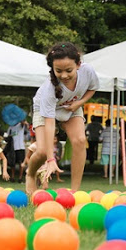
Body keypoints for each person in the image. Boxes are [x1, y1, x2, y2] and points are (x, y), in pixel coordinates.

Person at [25, 42, 99, 194]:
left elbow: (92, 88)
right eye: (58, 71)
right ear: (52, 67)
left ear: (78, 64)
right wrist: (51, 160)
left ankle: (74, 191)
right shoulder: (49, 90)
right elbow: (50, 125)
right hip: (43, 109)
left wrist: (79, 103)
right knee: (42, 151)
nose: (64, 75)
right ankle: (31, 174)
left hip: (72, 105)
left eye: (69, 70)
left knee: (79, 140)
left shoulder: (88, 71)